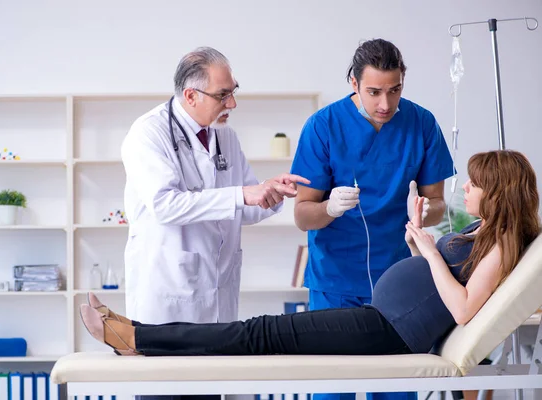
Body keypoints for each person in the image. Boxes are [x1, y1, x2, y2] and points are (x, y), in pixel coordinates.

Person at [82, 151, 539, 365]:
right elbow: (438, 282)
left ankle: (136, 337)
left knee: (259, 333)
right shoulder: (481, 231)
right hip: (381, 317)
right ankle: (137, 336)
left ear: (499, 191)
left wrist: (425, 243)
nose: (465, 189)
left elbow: (461, 307)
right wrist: (418, 240)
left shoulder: (502, 244)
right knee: (258, 332)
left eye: (476, 185)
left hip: (390, 331)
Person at [120, 47, 309, 400]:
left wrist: (271, 194)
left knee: (207, 393)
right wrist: (243, 195)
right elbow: (165, 205)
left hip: (217, 299)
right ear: (190, 95)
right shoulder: (148, 134)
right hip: (168, 296)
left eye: (234, 91)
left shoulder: (226, 137)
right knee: (164, 395)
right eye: (223, 95)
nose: (232, 103)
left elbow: (244, 207)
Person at [290, 39, 455, 400]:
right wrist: (329, 208)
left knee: (396, 389)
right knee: (333, 389)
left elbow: (439, 202)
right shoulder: (323, 126)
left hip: (397, 281)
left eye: (394, 90)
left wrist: (427, 210)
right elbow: (303, 214)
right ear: (354, 83)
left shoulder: (421, 124)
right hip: (334, 280)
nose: (385, 104)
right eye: (374, 92)